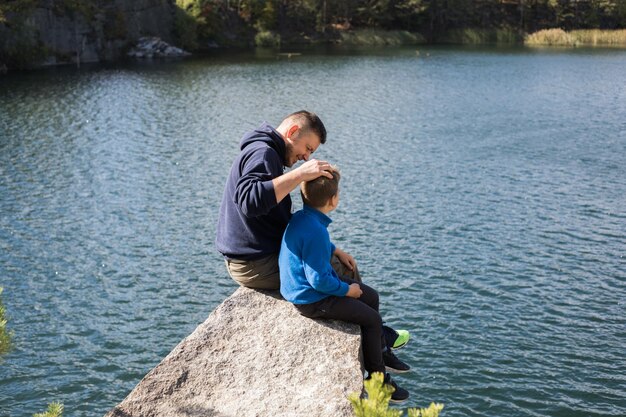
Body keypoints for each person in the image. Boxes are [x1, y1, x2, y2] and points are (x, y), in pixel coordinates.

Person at [215, 111, 410, 361]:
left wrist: (331, 247)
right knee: (338, 272)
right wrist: (299, 175)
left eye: (310, 153)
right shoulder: (263, 154)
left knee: (339, 261)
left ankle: (376, 335)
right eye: (307, 148)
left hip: (260, 253)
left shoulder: (267, 151)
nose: (306, 157)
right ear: (293, 131)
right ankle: (376, 344)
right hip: (254, 265)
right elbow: (249, 201)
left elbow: (293, 227)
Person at [278, 168, 410, 402]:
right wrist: (347, 290)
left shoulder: (302, 217)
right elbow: (317, 280)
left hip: (310, 288)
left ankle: (380, 351)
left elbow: (312, 247)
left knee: (372, 296)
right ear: (333, 200)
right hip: (311, 299)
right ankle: (378, 382)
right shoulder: (316, 230)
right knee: (372, 319)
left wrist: (335, 250)